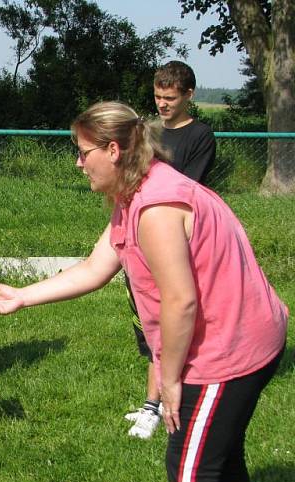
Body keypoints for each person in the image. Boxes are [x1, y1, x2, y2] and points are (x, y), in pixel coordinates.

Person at [0, 101, 287, 482]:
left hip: (231, 347)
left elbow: (181, 302)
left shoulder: (158, 206)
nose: (78, 162)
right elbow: (96, 267)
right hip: (246, 335)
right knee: (221, 457)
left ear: (113, 150)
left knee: (191, 468)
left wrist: (171, 379)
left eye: (83, 152)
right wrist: (22, 297)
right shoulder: (135, 192)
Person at [125, 61, 217, 439]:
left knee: (167, 326)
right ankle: (154, 403)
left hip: (175, 238)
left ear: (189, 96)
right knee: (148, 326)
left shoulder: (200, 136)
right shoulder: (148, 132)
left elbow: (184, 189)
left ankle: (158, 406)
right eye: (158, 97)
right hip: (141, 236)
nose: (162, 104)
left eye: (170, 98)